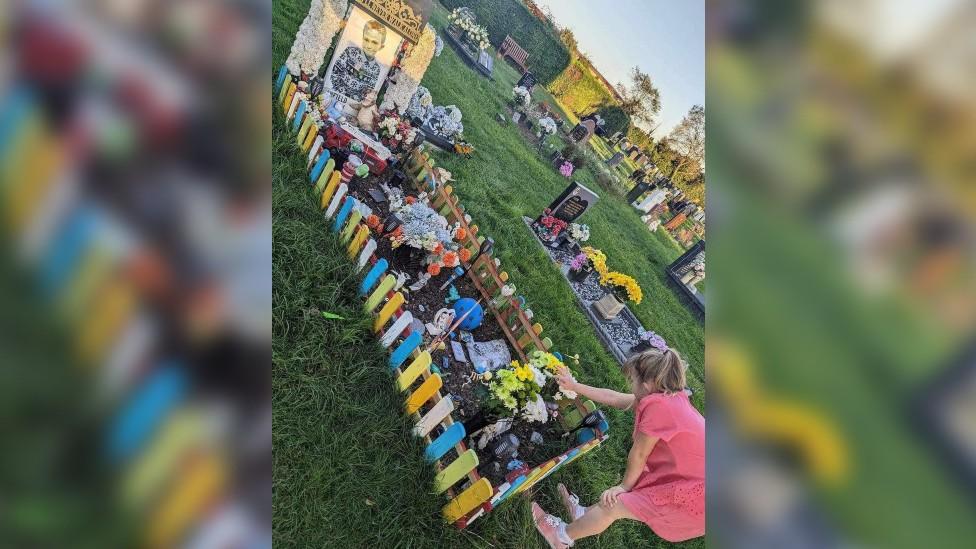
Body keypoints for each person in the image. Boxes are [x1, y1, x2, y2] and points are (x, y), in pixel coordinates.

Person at [532, 348, 705, 547]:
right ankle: (581, 515)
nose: (630, 385)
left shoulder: (660, 408)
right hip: (696, 477)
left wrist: (623, 487)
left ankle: (561, 536)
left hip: (698, 494)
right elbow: (615, 398)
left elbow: (639, 454)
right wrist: (574, 385)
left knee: (613, 505)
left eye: (632, 380)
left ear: (647, 385)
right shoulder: (663, 395)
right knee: (615, 501)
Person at [329, 20, 387, 101]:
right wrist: (341, 92)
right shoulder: (350, 52)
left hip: (354, 102)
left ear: (381, 47)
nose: (369, 46)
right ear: (362, 38)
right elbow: (335, 72)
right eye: (366, 40)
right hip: (336, 94)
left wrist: (355, 99)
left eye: (374, 42)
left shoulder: (376, 69)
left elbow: (368, 90)